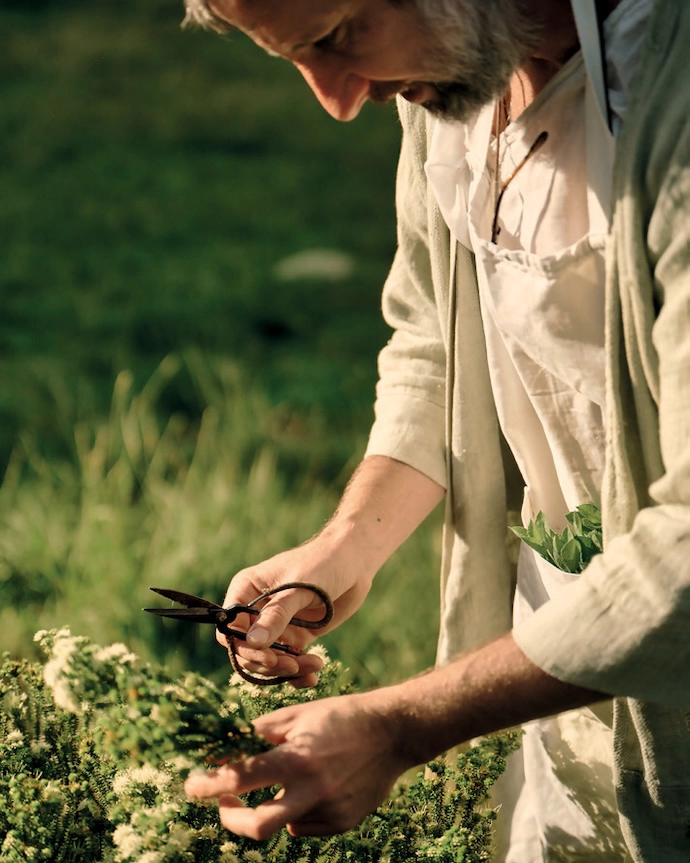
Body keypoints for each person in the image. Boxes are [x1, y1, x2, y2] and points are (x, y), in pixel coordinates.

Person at [181, 1, 690, 860]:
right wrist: (347, 544)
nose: (336, 100)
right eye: (295, 58)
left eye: (340, 37)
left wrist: (403, 723)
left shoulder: (669, 101)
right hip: (555, 690)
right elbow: (437, 343)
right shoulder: (459, 76)